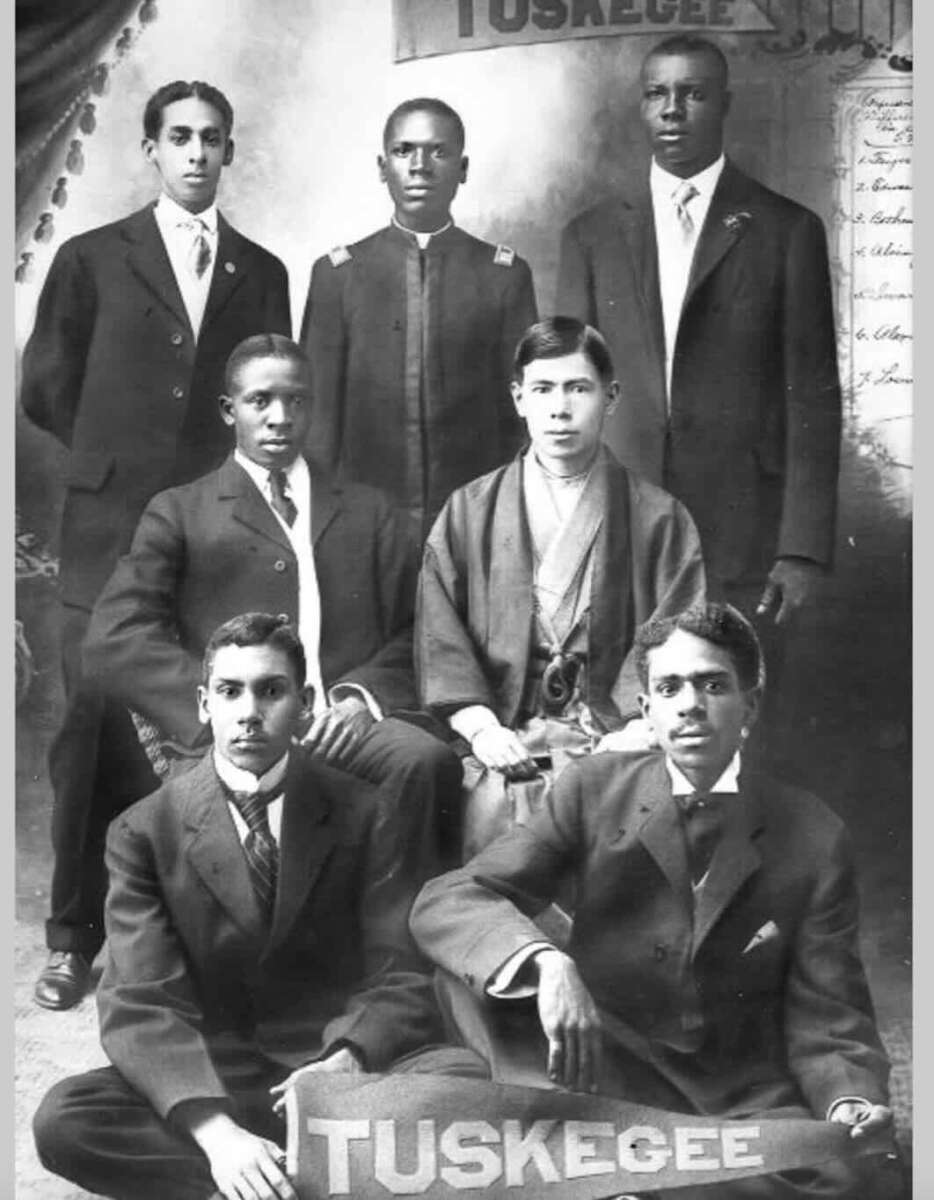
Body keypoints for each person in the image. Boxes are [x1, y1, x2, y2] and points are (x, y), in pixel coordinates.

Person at [410, 601, 901, 1200]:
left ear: (750, 704)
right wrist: (547, 963)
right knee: (476, 973)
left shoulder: (814, 834)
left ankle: (615, 1176)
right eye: (670, 688)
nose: (690, 704)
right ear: (647, 710)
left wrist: (850, 1101)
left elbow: (830, 1015)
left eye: (713, 685)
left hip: (736, 1091)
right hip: (603, 1067)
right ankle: (619, 1167)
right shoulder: (594, 787)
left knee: (853, 1171)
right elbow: (453, 896)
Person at [34, 613, 486, 1200]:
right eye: (229, 691)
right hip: (218, 1076)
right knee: (67, 1118)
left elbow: (398, 972)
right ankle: (289, 1178)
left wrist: (345, 1060)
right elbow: (141, 1000)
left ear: (303, 703)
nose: (249, 711)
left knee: (466, 1088)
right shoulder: (144, 831)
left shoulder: (365, 811)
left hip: (334, 1074)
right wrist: (219, 1136)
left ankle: (259, 1188)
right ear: (203, 704)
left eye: (271, 691)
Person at [22, 80, 291, 1010]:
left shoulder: (262, 272)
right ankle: (70, 939)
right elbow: (43, 393)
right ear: (151, 149)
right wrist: (116, 463)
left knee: (201, 729)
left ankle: (191, 936)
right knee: (88, 735)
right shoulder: (93, 258)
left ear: (228, 152)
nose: (196, 154)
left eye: (213, 139)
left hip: (209, 539)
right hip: (105, 537)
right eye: (179, 137)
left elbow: (264, 401)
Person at [84, 333, 460, 881]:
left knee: (426, 762)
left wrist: (360, 698)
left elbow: (418, 630)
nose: (280, 417)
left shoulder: (368, 512)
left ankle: (398, 950)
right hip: (239, 730)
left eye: (296, 400)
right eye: (261, 401)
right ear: (228, 409)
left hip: (341, 725)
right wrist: (224, 707)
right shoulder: (181, 512)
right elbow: (116, 635)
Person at [557, 36, 840, 627]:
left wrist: (801, 547)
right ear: (641, 106)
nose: (672, 109)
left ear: (724, 104)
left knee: (735, 705)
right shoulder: (591, 235)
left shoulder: (787, 230)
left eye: (693, 94)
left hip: (745, 533)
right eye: (657, 93)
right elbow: (569, 393)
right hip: (618, 523)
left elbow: (812, 398)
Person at [416, 317, 706, 858]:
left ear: (611, 396)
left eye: (579, 388)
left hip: (616, 737)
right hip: (503, 734)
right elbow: (441, 640)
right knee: (481, 826)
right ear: (518, 397)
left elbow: (682, 645)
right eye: (543, 389)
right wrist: (480, 729)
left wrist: (633, 732)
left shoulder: (660, 519)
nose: (560, 408)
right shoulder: (468, 511)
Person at [301, 97, 538, 541]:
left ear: (463, 169)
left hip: (474, 523)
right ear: (381, 166)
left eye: (439, 151)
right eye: (403, 150)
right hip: (366, 527)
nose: (420, 166)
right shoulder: (338, 276)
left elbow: (523, 420)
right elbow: (319, 428)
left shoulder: (503, 275)